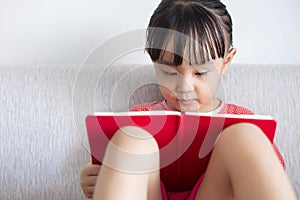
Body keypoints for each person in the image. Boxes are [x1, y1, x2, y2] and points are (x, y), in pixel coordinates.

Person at [80, 0, 297, 199]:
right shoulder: (140, 115)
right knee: (132, 139)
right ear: (152, 60)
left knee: (245, 136)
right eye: (170, 73)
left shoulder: (241, 119)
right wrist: (94, 178)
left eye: (200, 73)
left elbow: (273, 169)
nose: (184, 88)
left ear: (226, 62)